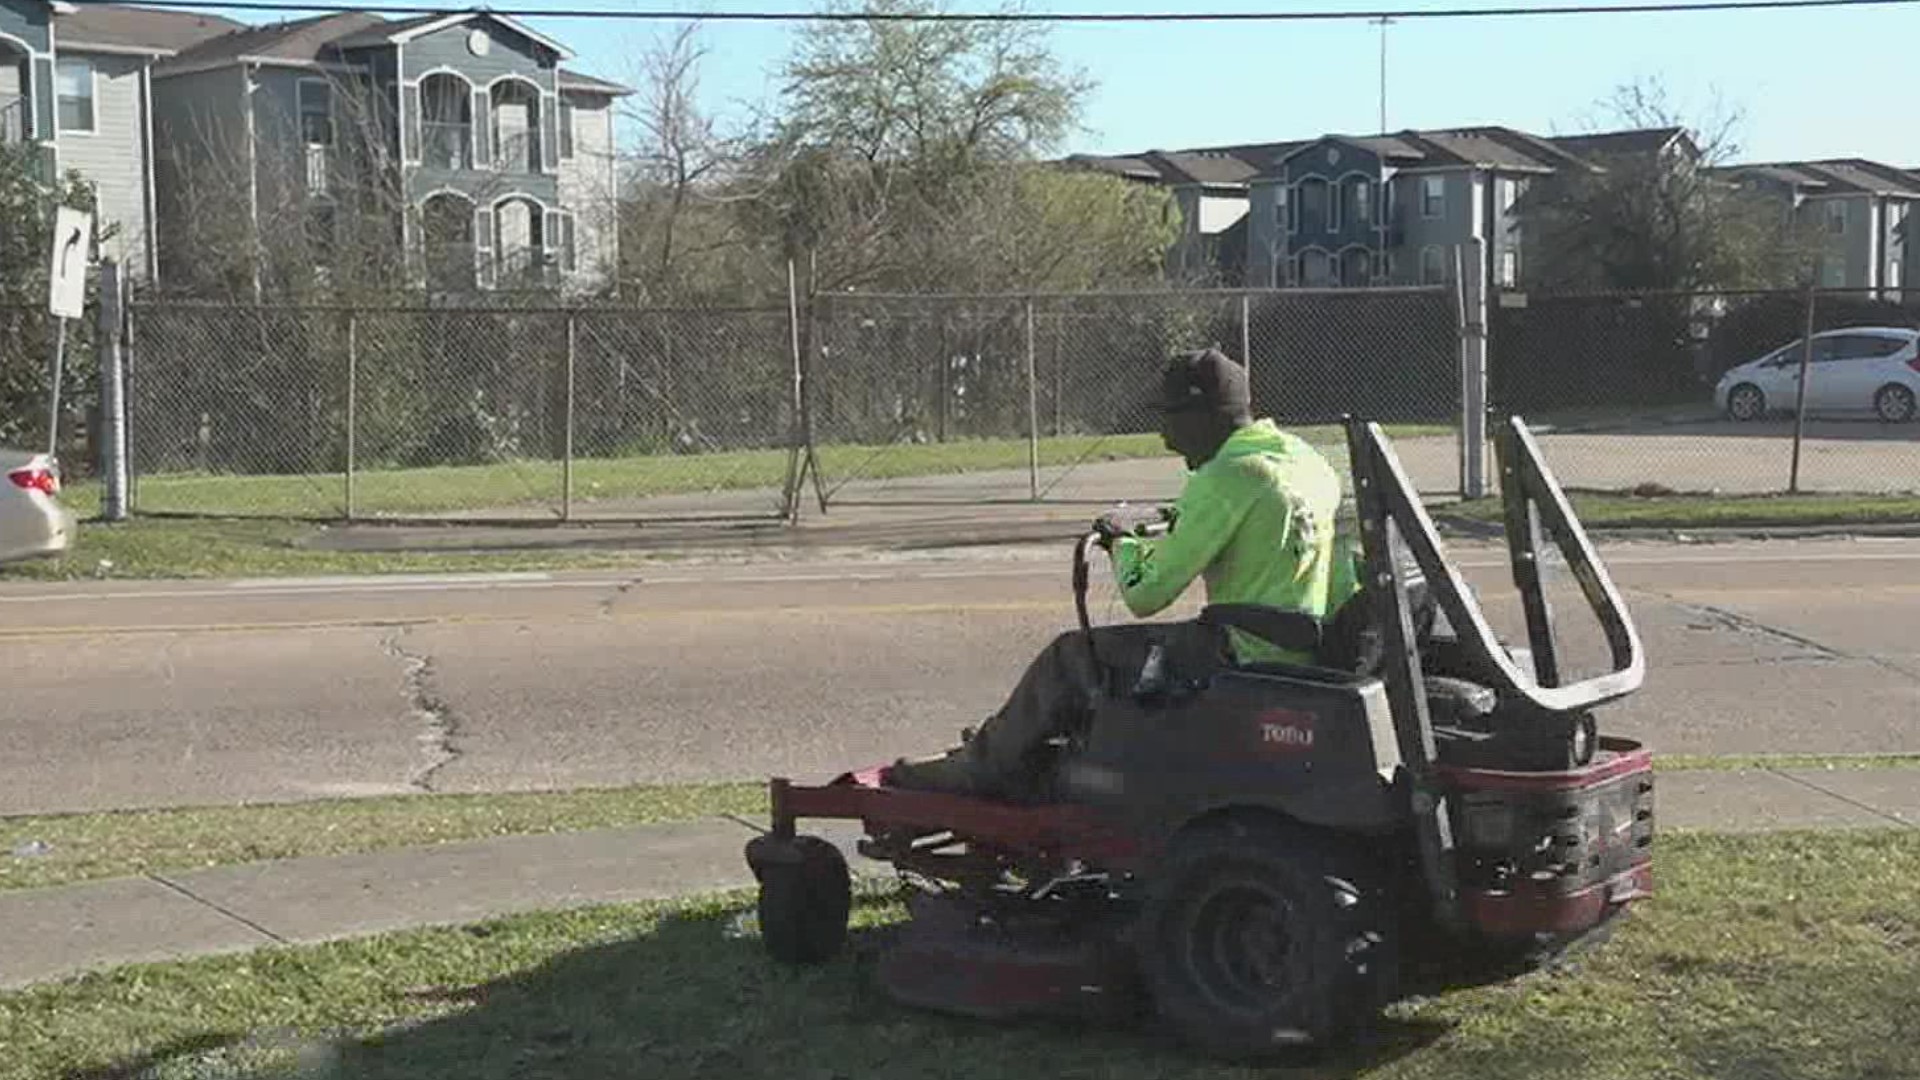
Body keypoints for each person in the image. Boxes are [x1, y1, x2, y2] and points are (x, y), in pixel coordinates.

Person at [883, 347, 1356, 801]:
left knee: (1069, 658)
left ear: (1201, 415)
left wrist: (1121, 541)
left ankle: (983, 767)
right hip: (1300, 644)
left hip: (1240, 652)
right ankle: (1026, 747)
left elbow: (1146, 593)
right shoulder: (1304, 461)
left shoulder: (1231, 475)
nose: (1165, 438)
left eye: (1169, 420)